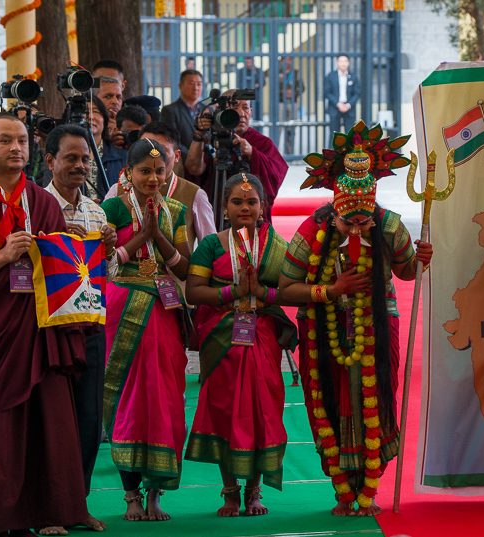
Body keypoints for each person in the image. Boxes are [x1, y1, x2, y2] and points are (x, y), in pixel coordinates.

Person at [0, 113, 88, 534]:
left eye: (22, 141)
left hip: (39, 331)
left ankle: (44, 512)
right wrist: (4, 257)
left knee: (46, 423)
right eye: (5, 140)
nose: (15, 148)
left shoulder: (41, 202)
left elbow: (63, 273)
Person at [278, 121, 432, 516]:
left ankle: (369, 490)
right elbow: (285, 289)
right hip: (324, 329)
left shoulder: (390, 225)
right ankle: (343, 491)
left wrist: (421, 259)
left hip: (377, 326)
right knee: (330, 402)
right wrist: (331, 291)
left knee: (376, 400)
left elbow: (407, 273)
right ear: (335, 213)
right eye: (349, 223)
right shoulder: (312, 229)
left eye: (364, 223)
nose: (356, 230)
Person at [184, 173, 296, 517]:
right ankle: (230, 492)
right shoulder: (211, 245)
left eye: (251, 201)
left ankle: (254, 492)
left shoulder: (277, 247)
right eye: (237, 202)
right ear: (224, 208)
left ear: (263, 207)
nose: (244, 208)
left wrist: (261, 293)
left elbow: (291, 291)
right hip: (222, 337)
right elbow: (193, 291)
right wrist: (233, 292)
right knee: (224, 410)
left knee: (263, 410)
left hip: (262, 336)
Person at [101, 138, 191, 522]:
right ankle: (130, 495)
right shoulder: (112, 208)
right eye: (145, 171)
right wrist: (141, 237)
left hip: (164, 309)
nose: (153, 178)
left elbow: (184, 267)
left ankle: (155, 494)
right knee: (129, 396)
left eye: (159, 171)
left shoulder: (177, 211)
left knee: (164, 396)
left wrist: (159, 237)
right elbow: (103, 262)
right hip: (123, 305)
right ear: (128, 172)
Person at [42, 124, 116, 534]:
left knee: (89, 418)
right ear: (50, 160)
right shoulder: (36, 207)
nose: (80, 166)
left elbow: (109, 273)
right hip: (49, 327)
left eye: (85, 159)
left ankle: (78, 504)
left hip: (90, 322)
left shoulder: (97, 211)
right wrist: (53, 241)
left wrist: (110, 248)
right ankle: (50, 508)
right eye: (70, 158)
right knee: (54, 418)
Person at [109, 122, 217, 251]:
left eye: (160, 150)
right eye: (145, 149)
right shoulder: (117, 190)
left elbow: (210, 249)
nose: (152, 156)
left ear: (177, 156)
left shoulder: (194, 194)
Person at [187, 99, 288, 221]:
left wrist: (252, 153)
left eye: (245, 108)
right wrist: (199, 134)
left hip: (251, 219)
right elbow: (193, 169)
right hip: (215, 214)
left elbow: (276, 174)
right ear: (221, 112)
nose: (241, 113)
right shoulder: (211, 139)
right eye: (234, 107)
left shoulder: (262, 143)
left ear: (251, 111)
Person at [84, 96, 127, 198]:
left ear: (105, 120)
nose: (90, 116)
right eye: (85, 112)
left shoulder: (122, 157)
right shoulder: (62, 156)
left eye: (95, 111)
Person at [161, 69, 206, 163]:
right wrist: (191, 156)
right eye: (191, 83)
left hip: (207, 161)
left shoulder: (207, 109)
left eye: (199, 84)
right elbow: (172, 140)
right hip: (184, 161)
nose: (196, 88)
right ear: (180, 86)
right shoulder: (170, 110)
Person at [324, 55, 358, 139]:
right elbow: (327, 92)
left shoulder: (353, 76)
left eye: (345, 61)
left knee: (350, 135)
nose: (343, 63)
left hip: (349, 108)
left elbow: (357, 93)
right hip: (334, 107)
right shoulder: (331, 76)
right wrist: (338, 104)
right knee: (334, 135)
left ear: (348, 63)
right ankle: (333, 148)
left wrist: (348, 105)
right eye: (341, 61)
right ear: (337, 62)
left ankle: (349, 149)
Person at [278, 57, 305, 153]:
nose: (287, 62)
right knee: (278, 128)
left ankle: (289, 153)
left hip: (293, 103)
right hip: (281, 103)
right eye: (285, 60)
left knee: (291, 128)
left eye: (290, 60)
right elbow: (273, 88)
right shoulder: (278, 73)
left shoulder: (296, 73)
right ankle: (274, 152)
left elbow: (302, 88)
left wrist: (293, 93)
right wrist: (283, 93)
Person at [235, 56, 265, 122]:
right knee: (244, 116)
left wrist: (257, 84)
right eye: (247, 63)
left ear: (253, 62)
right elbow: (238, 84)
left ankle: (257, 128)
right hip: (244, 96)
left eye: (250, 62)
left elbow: (263, 82)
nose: (248, 64)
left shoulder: (258, 71)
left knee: (257, 117)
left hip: (256, 96)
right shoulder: (240, 71)